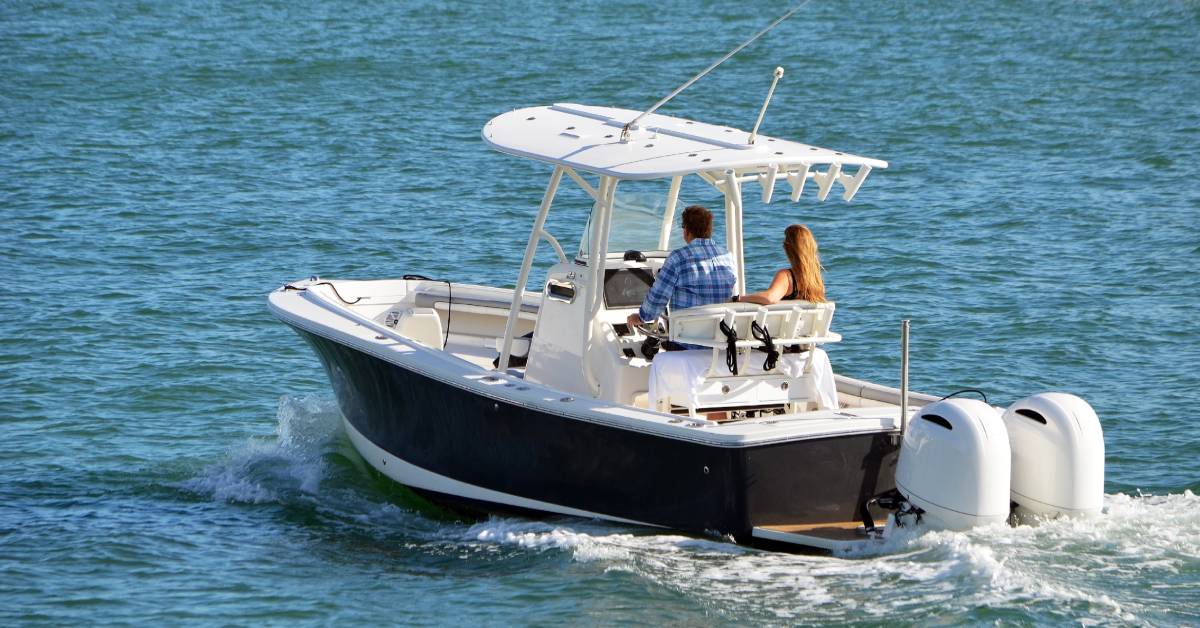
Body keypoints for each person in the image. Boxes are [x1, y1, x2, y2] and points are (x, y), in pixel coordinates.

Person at [625, 205, 736, 335]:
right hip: (721, 338)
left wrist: (641, 317)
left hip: (688, 341)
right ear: (709, 230)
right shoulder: (727, 257)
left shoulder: (677, 258)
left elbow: (658, 298)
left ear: (686, 231)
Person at [737, 224, 825, 305]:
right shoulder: (816, 280)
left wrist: (739, 298)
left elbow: (770, 298)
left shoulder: (787, 276)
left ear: (789, 248)